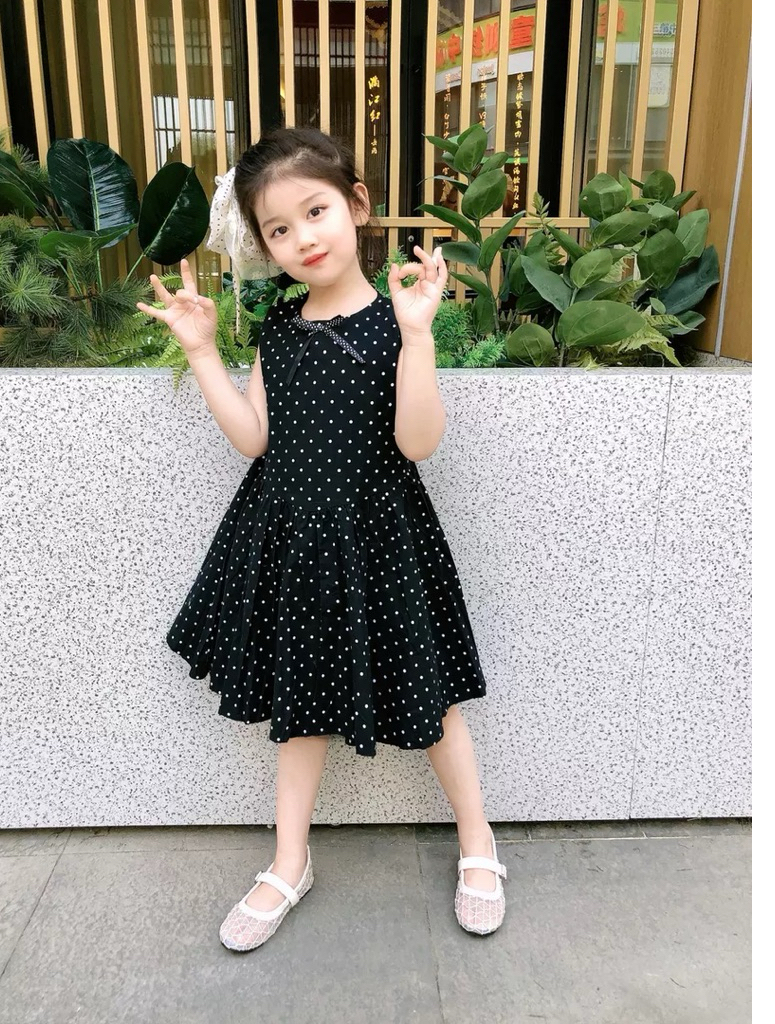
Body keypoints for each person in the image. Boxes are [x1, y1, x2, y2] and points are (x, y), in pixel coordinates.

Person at [138, 127, 508, 952]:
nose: (302, 237)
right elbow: (254, 438)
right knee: (298, 706)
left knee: (432, 699)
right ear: (264, 244)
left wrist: (419, 334)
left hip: (380, 540)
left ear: (357, 206)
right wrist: (202, 352)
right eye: (278, 228)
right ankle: (289, 860)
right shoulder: (278, 325)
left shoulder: (396, 319)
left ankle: (478, 839)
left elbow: (418, 442)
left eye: (316, 211)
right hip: (294, 539)